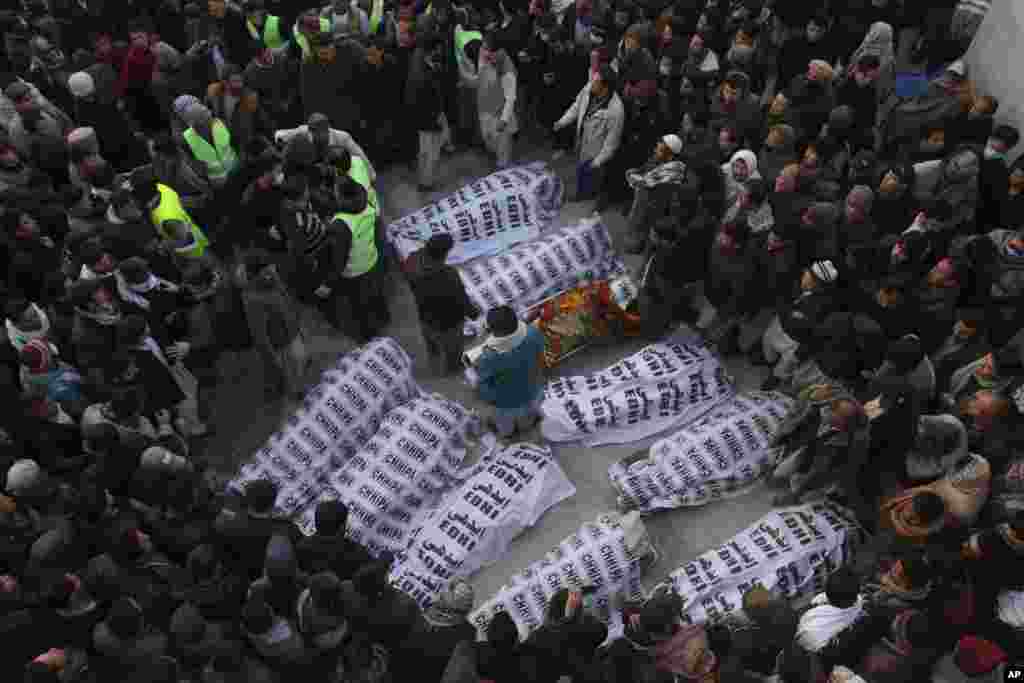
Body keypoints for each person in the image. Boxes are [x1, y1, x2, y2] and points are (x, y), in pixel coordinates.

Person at [407, 234, 480, 376]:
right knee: (454, 347)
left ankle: (433, 353)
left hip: (425, 315)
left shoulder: (413, 260)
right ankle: (454, 367)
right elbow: (461, 299)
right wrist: (473, 313)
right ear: (445, 253)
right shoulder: (448, 275)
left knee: (430, 336)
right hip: (448, 322)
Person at [554, 63, 624, 205]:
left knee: (590, 175)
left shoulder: (616, 110)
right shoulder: (589, 88)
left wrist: (597, 161)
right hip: (582, 140)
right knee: (581, 169)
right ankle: (581, 193)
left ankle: (587, 196)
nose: (591, 83)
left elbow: (611, 143)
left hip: (595, 152)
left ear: (605, 88)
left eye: (595, 82)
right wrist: (563, 121)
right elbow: (576, 106)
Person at [475, 305, 545, 438]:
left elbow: (485, 384)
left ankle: (507, 434)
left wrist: (487, 397)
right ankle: (526, 426)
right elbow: (540, 354)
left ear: (495, 331)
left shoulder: (489, 355)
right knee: (527, 416)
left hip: (505, 401)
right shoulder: (532, 333)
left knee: (505, 424)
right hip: (532, 388)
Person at [624, 133, 688, 254]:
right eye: (659, 143)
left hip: (651, 205)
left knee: (642, 225)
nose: (657, 147)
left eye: (661, 146)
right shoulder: (658, 159)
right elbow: (645, 170)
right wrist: (638, 171)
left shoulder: (671, 172)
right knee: (638, 222)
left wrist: (633, 176)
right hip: (644, 200)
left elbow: (645, 182)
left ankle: (637, 246)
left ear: (669, 153)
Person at [476, 30, 517, 170]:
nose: (484, 53)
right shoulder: (484, 54)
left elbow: (510, 98)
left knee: (502, 152)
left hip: (499, 117)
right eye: (484, 48)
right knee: (489, 143)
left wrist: (503, 120)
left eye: (489, 50)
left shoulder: (507, 70)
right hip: (485, 111)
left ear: (499, 51)